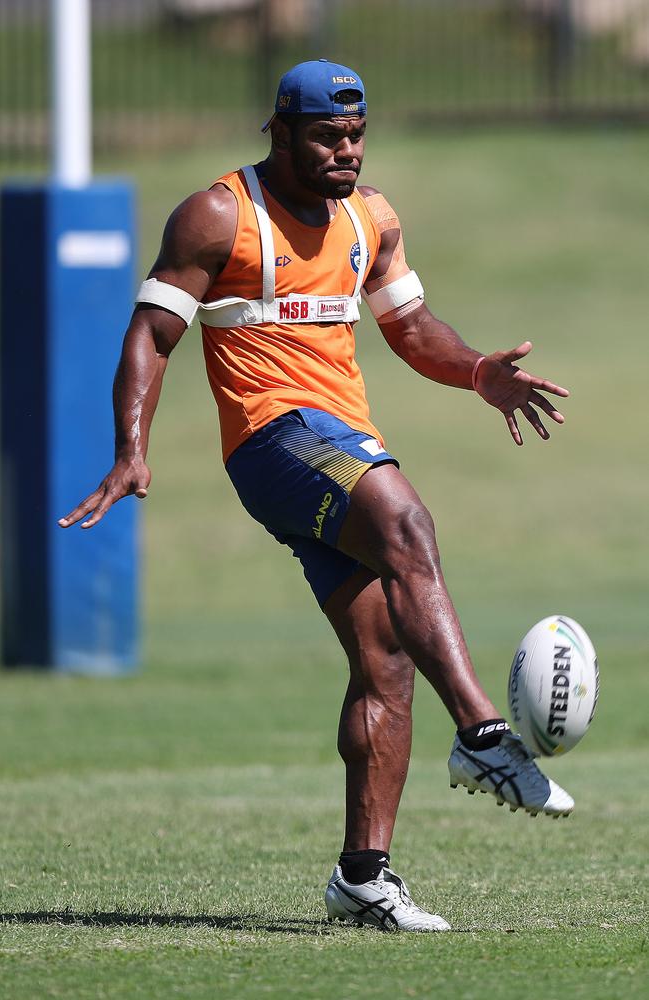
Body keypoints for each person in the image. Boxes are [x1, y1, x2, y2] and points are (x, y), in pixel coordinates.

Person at [59, 60, 573, 933]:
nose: (346, 150)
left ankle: (363, 877)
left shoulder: (371, 218)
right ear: (281, 131)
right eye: (327, 135)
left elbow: (410, 328)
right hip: (273, 441)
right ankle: (485, 735)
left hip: (338, 444)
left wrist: (479, 370)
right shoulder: (220, 214)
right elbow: (150, 335)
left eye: (356, 134)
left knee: (387, 660)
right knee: (408, 520)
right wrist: (130, 451)